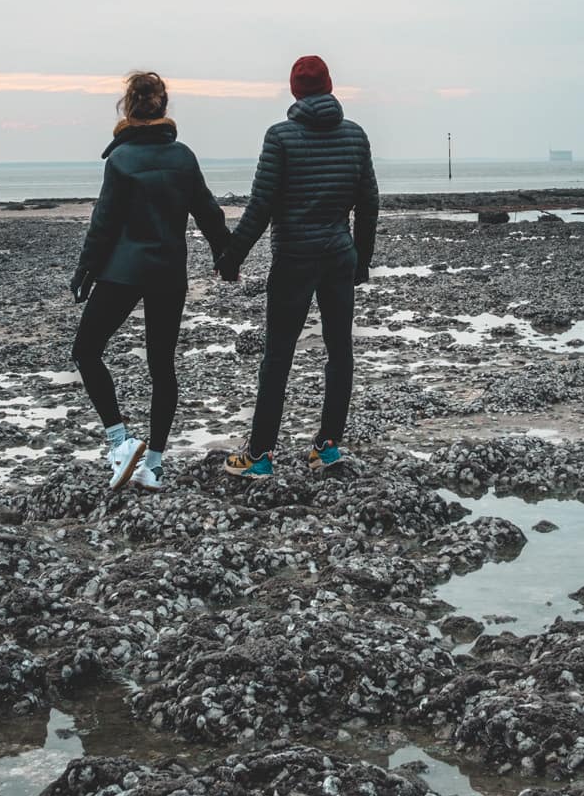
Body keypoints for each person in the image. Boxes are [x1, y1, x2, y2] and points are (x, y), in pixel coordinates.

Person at [218, 54, 378, 477]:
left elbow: (260, 206)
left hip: (294, 259)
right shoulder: (355, 135)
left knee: (278, 356)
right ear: (329, 87)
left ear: (294, 91)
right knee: (339, 351)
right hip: (339, 255)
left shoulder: (281, 137)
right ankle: (327, 447)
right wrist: (361, 260)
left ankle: (259, 455)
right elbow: (369, 203)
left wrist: (232, 257)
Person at [71, 69, 230, 492]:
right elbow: (208, 212)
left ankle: (120, 442)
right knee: (162, 366)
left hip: (121, 273)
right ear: (163, 106)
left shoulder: (121, 160)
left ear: (128, 107)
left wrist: (85, 271)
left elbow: (103, 224)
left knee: (86, 351)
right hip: (168, 274)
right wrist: (225, 255)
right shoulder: (183, 157)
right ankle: (153, 465)